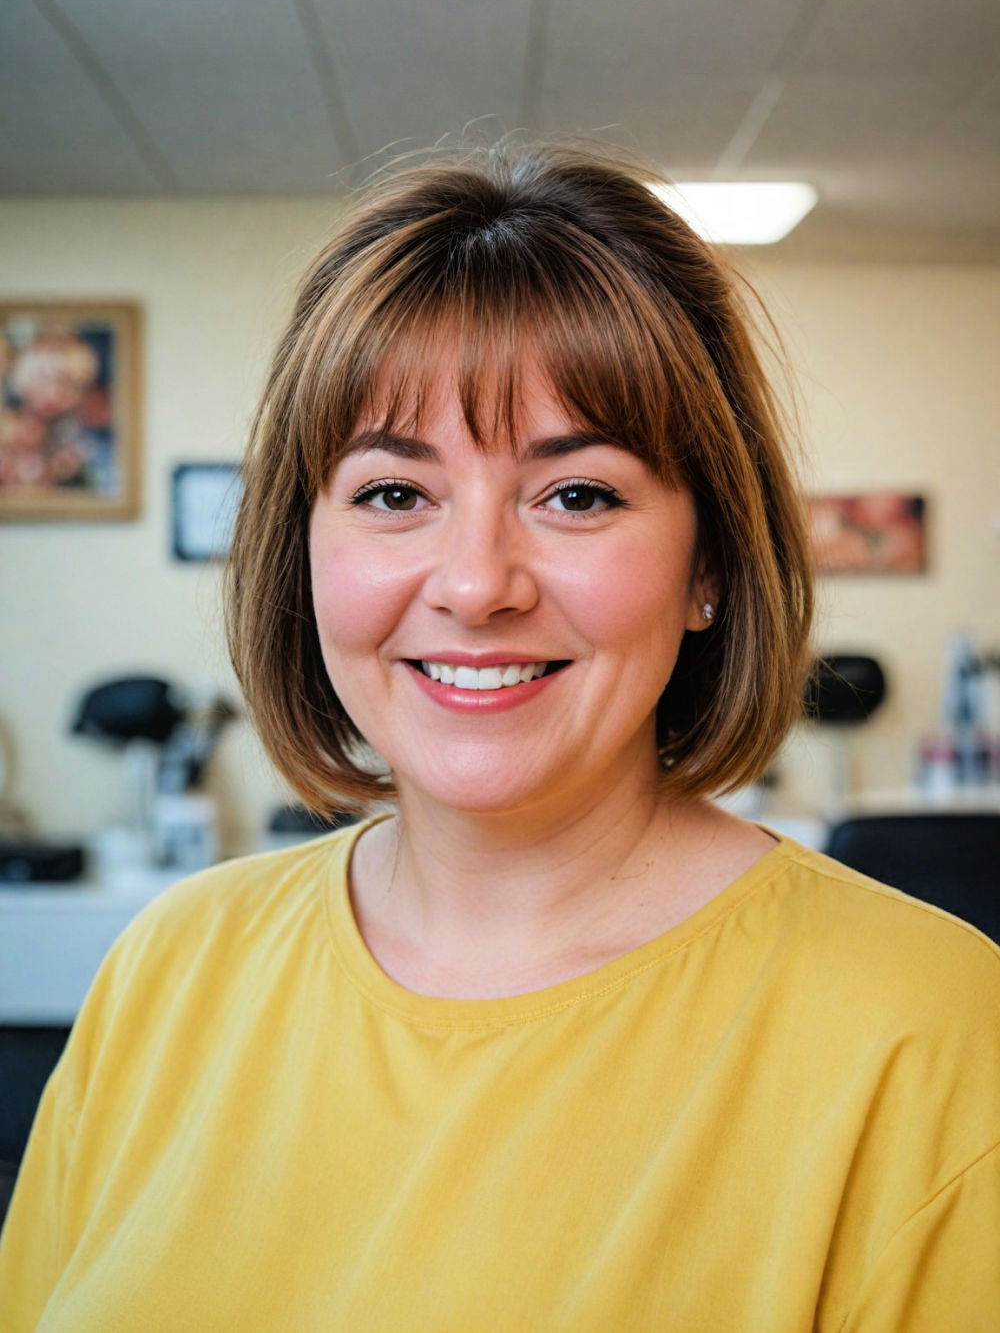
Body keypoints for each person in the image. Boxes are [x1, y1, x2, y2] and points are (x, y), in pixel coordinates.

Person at [2, 140, 998, 1331]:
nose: (476, 586)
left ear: (710, 566)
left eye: (577, 494)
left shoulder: (932, 1034)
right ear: (303, 554)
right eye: (393, 493)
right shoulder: (169, 972)